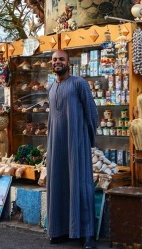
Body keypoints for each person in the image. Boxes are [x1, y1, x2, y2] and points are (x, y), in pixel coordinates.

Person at [46, 50, 98, 249]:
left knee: (81, 186)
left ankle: (87, 234)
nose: (57, 62)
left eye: (61, 59)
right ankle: (60, 230)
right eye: (54, 60)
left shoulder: (79, 84)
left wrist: (86, 140)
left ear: (69, 63)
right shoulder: (51, 88)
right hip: (56, 145)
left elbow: (92, 113)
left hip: (77, 143)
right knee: (58, 184)